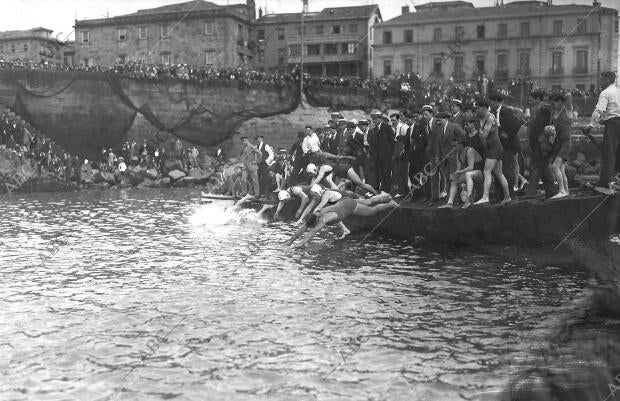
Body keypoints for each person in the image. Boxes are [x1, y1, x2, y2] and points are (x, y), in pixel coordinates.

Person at [285, 193, 400, 249]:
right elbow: (303, 229)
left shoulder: (324, 219)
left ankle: (390, 203)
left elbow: (311, 233)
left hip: (349, 206)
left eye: (311, 226)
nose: (308, 227)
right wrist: (290, 241)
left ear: (315, 222)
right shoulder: (314, 215)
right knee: (369, 201)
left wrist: (299, 244)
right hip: (344, 201)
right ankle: (385, 195)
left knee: (372, 211)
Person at [473, 100, 511, 205]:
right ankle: (507, 197)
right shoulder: (483, 118)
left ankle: (485, 197)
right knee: (499, 173)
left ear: (485, 108)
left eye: (478, 108)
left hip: (495, 147)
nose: (477, 110)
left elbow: (484, 135)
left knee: (486, 171)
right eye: (476, 108)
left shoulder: (490, 118)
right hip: (494, 147)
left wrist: (479, 132)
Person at [589, 71, 620, 188]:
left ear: (607, 80)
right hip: (616, 122)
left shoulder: (605, 93)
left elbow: (599, 111)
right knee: (618, 152)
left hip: (613, 126)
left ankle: (604, 182)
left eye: (601, 79)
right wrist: (605, 120)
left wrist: (591, 125)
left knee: (609, 153)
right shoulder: (618, 91)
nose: (600, 82)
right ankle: (617, 178)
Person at [438, 133, 484, 209]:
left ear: (461, 145)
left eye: (454, 146)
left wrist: (458, 173)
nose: (453, 148)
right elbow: (459, 169)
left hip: (480, 173)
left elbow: (471, 167)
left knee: (468, 174)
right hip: (471, 174)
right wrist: (454, 175)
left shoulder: (470, 151)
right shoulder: (458, 154)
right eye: (452, 146)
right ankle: (450, 203)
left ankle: (468, 200)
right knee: (454, 180)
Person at [489, 93, 522, 197]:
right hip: (499, 145)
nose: (490, 103)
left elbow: (517, 124)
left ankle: (510, 194)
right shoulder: (493, 113)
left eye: (491, 102)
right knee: (499, 170)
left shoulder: (506, 111)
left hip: (508, 145)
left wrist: (507, 135)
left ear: (496, 102)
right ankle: (500, 194)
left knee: (507, 170)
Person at [548, 93, 572, 199]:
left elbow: (568, 95)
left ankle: (561, 190)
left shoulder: (568, 109)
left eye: (553, 103)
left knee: (555, 166)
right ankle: (566, 191)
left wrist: (561, 97)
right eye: (551, 104)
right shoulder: (553, 113)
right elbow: (552, 128)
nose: (552, 105)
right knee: (561, 169)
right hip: (557, 143)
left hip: (566, 143)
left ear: (560, 102)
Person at [307, 160, 378, 196]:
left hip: (347, 170)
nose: (311, 176)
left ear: (314, 169)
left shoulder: (322, 168)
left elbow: (317, 179)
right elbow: (312, 183)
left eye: (311, 174)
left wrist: (312, 185)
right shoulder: (317, 171)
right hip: (341, 174)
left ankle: (377, 194)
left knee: (361, 184)